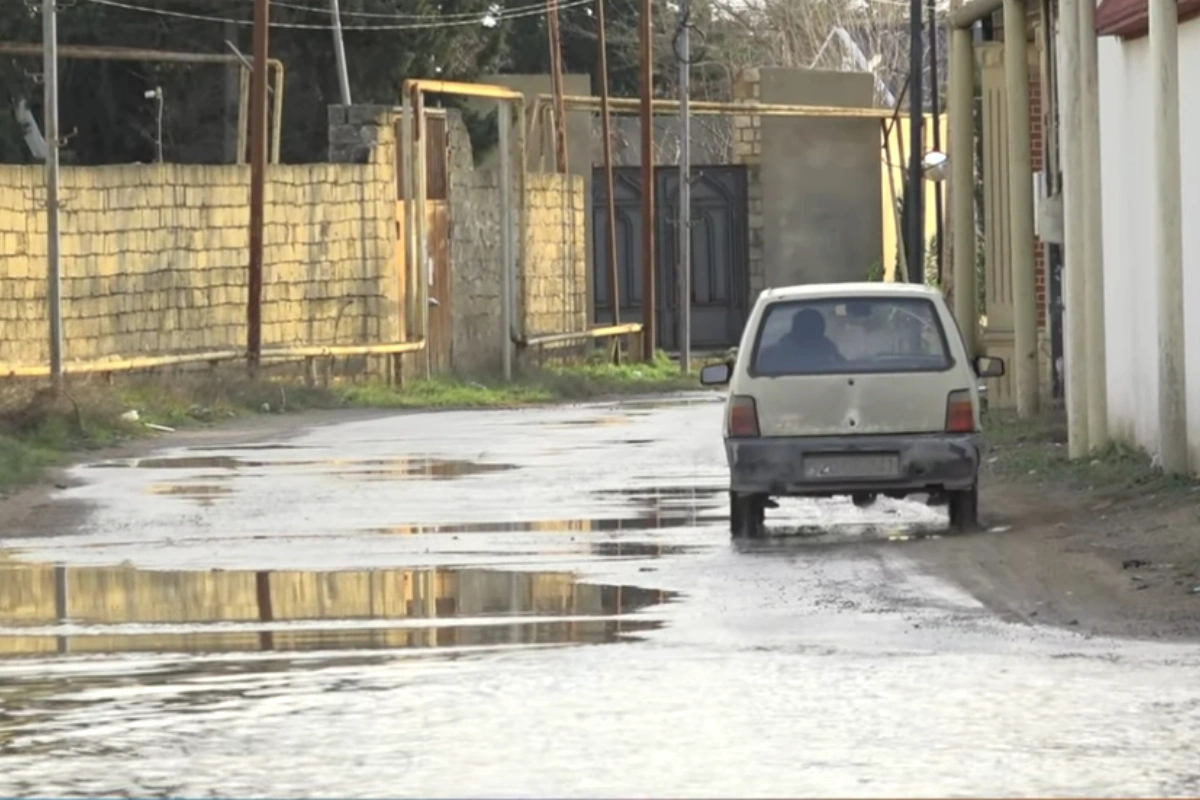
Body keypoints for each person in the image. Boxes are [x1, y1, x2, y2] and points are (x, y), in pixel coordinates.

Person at [757, 307, 845, 373]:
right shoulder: (829, 353)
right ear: (822, 329)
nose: (811, 333)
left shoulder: (830, 352)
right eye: (810, 328)